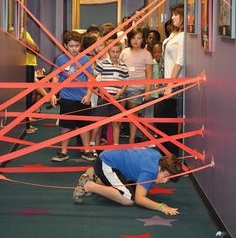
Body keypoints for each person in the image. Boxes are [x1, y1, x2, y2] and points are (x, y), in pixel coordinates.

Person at [73, 148, 182, 215]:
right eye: (166, 176)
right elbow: (140, 199)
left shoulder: (158, 157)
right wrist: (161, 207)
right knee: (128, 199)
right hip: (107, 163)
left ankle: (95, 176)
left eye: (168, 179)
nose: (164, 181)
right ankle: (89, 185)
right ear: (161, 168)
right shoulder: (149, 172)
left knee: (134, 189)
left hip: (112, 160)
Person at [50, 30, 96, 162]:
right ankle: (63, 151)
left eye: (77, 45)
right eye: (71, 46)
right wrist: (53, 94)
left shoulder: (85, 59)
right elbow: (56, 77)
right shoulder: (61, 60)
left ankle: (87, 150)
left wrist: (88, 95)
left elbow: (90, 79)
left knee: (83, 126)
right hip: (67, 98)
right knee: (65, 125)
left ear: (80, 45)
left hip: (82, 98)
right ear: (65, 46)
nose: (74, 49)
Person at [155, 5, 184, 156]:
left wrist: (169, 85)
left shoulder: (184, 36)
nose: (172, 18)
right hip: (164, 82)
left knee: (167, 122)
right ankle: (163, 157)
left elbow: (179, 62)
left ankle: (171, 157)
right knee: (160, 121)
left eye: (175, 15)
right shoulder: (174, 33)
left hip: (173, 84)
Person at [90, 40, 129, 147]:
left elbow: (126, 82)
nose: (115, 54)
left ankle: (116, 145)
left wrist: (121, 92)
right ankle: (92, 145)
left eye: (117, 52)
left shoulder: (123, 66)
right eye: (113, 52)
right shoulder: (102, 64)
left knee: (116, 123)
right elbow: (93, 78)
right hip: (104, 98)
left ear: (120, 52)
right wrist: (101, 90)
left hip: (116, 99)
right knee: (98, 122)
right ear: (108, 51)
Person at [120, 27, 153, 143]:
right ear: (129, 39)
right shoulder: (124, 52)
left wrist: (148, 91)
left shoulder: (147, 54)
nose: (136, 40)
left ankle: (132, 140)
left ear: (143, 39)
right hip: (122, 87)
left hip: (137, 88)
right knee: (119, 114)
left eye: (139, 38)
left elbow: (149, 74)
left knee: (133, 114)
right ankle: (115, 140)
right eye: (133, 37)